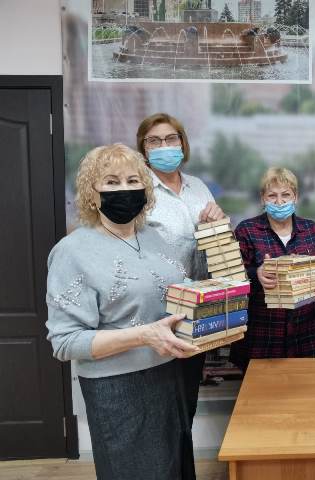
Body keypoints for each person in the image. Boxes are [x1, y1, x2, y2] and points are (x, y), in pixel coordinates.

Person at [46, 144, 197, 480]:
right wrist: (144, 335)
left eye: (133, 180)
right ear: (92, 193)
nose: (124, 189)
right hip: (118, 389)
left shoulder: (155, 237)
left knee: (174, 469)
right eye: (111, 182)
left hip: (170, 376)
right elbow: (65, 342)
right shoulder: (72, 252)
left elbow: (176, 292)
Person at [136, 112, 225, 426]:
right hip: (155, 309)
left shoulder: (198, 186)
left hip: (196, 308)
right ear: (143, 148)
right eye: (154, 141)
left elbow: (215, 240)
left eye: (171, 138)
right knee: (157, 406)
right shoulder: (138, 190)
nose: (164, 146)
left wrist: (216, 223)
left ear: (182, 143)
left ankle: (182, 455)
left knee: (187, 400)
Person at [231, 167, 315, 371]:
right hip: (262, 336)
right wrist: (256, 274)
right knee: (259, 391)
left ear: (295, 197)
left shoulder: (312, 230)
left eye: (285, 195)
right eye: (272, 196)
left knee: (306, 389)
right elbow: (231, 279)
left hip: (306, 336)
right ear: (262, 199)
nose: (279, 202)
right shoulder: (246, 230)